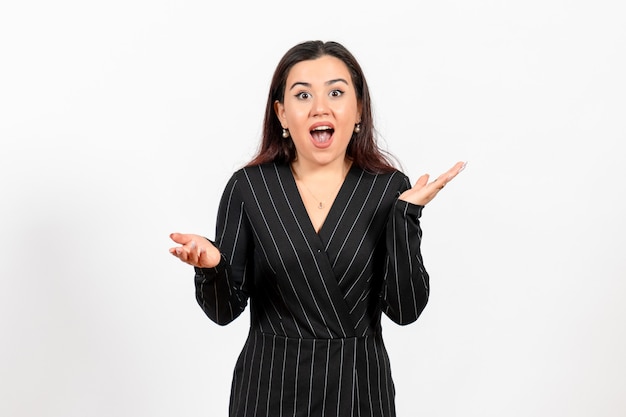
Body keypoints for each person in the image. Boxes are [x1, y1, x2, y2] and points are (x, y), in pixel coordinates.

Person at [169, 40, 465, 417]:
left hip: (359, 393)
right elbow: (224, 311)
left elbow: (405, 310)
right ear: (281, 113)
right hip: (269, 391)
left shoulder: (387, 188)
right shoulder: (249, 188)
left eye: (336, 92)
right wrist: (211, 267)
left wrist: (406, 217)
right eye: (303, 94)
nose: (320, 107)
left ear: (358, 109)